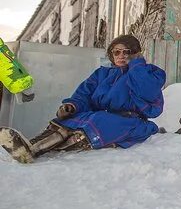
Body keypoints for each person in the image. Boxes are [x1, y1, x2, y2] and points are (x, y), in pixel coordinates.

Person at [0, 34, 165, 163]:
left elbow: (147, 91)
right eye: (116, 52)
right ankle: (29, 147)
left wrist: (136, 65)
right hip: (99, 116)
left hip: (129, 121)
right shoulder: (102, 74)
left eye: (126, 52)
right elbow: (84, 94)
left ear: (135, 53)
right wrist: (72, 106)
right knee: (70, 121)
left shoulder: (150, 72)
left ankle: (42, 150)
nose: (121, 56)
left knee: (98, 121)